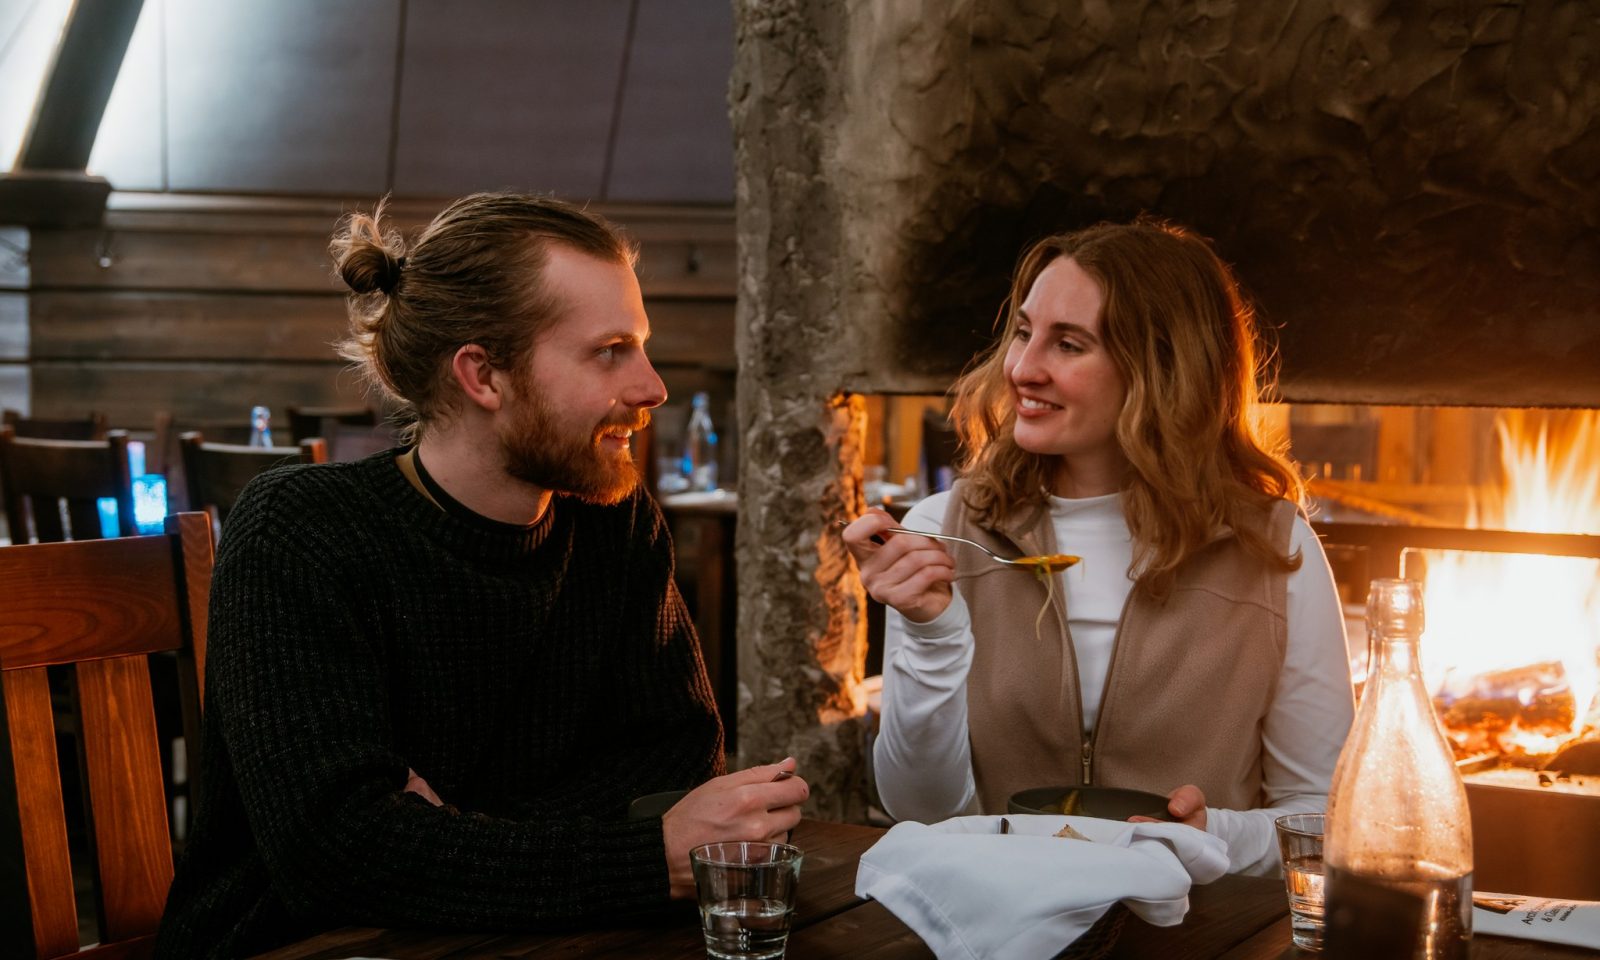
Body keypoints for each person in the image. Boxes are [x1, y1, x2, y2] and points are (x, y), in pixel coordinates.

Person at [156, 193, 808, 958]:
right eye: (611, 351)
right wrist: (638, 855)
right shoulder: (300, 532)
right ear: (483, 375)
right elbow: (336, 855)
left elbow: (679, 757)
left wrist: (449, 834)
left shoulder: (616, 522)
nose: (652, 387)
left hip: (518, 937)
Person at [843, 219, 1353, 876]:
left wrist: (1212, 834)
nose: (1023, 368)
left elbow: (1327, 820)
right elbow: (923, 810)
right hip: (1005, 927)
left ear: (1164, 367)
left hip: (1198, 938)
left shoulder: (1276, 550)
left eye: (1069, 344)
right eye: (1024, 333)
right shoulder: (946, 531)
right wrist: (934, 636)